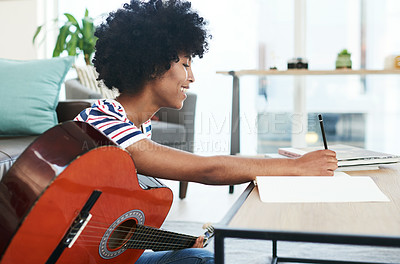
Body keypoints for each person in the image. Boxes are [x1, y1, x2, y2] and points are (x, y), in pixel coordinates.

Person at [75, 0, 338, 263]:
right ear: (154, 66)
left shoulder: (139, 125)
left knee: (199, 256)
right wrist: (297, 167)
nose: (192, 77)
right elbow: (207, 169)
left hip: (100, 252)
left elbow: (106, 214)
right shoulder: (102, 120)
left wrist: (163, 240)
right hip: (71, 257)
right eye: (186, 65)